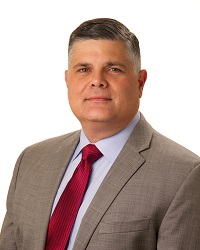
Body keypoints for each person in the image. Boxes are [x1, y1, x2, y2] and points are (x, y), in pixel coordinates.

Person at [0, 17, 200, 250]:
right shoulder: (31, 160)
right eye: (84, 69)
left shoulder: (184, 175)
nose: (97, 81)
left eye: (113, 69)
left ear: (140, 82)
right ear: (68, 81)